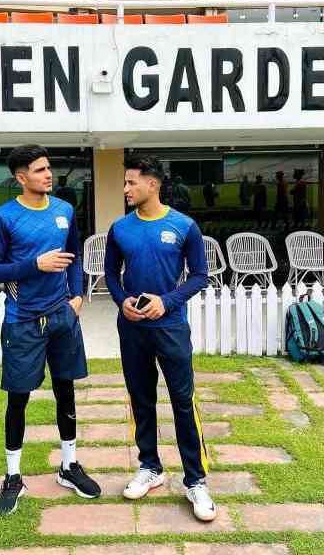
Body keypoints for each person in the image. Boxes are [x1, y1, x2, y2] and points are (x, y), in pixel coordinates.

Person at [0, 144, 101, 516]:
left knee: (66, 390)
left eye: (49, 168)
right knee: (18, 398)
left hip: (63, 317)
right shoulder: (4, 218)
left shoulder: (64, 210)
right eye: (39, 170)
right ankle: (14, 477)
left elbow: (76, 255)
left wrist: (77, 296)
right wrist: (36, 263)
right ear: (21, 177)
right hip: (23, 321)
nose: (48, 175)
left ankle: (68, 466)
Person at [103, 154, 218, 522]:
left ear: (152, 184)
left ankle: (196, 481)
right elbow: (110, 275)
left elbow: (200, 275)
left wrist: (165, 302)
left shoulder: (184, 226)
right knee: (141, 399)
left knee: (183, 401)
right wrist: (123, 303)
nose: (125, 189)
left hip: (171, 328)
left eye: (130, 182)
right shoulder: (120, 229)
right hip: (133, 329)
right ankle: (150, 467)